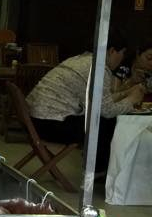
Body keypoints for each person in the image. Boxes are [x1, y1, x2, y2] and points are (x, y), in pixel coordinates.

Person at [25, 32, 144, 172]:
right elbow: (107, 111)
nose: (122, 58)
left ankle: (99, 170)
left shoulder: (78, 60)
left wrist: (125, 94)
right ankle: (100, 172)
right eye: (122, 53)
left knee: (100, 120)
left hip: (33, 120)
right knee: (107, 122)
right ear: (112, 51)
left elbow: (101, 102)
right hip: (49, 125)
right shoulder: (98, 68)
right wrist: (132, 100)